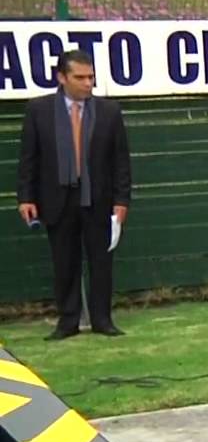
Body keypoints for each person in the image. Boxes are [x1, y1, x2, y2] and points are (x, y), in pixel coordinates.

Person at [16, 49, 132, 340]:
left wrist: (121, 201)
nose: (87, 83)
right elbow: (29, 158)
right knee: (64, 262)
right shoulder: (39, 110)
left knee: (101, 261)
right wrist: (26, 197)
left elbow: (120, 161)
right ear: (62, 78)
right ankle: (68, 321)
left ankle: (102, 319)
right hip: (58, 198)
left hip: (98, 197)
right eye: (79, 77)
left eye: (90, 77)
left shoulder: (109, 111)